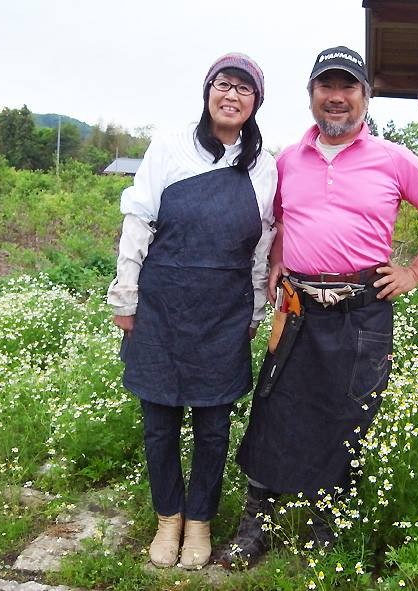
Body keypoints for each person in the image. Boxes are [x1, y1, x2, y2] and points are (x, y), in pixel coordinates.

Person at [219, 46, 418, 567]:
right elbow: (283, 219)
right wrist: (279, 263)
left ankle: (324, 529)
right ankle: (254, 525)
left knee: (347, 417)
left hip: (363, 311)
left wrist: (415, 272)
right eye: (325, 87)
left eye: (347, 88)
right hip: (297, 307)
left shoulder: (394, 159)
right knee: (273, 409)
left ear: (365, 97)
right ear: (311, 97)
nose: (336, 98)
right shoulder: (288, 159)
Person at [107, 53, 277, 569]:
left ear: (256, 103)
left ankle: (199, 521)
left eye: (244, 90)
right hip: (161, 302)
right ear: (208, 91)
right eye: (224, 84)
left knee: (213, 424)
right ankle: (168, 519)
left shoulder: (264, 165)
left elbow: (262, 243)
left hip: (224, 311)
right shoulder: (170, 148)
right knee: (158, 420)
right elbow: (138, 221)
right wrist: (125, 295)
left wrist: (254, 307)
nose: (232, 95)